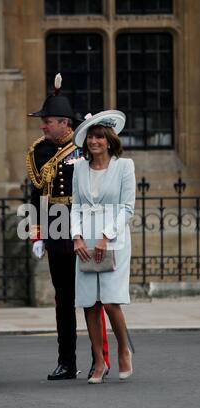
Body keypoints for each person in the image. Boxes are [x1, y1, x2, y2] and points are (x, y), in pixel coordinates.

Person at [26, 74, 111, 380]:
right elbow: (34, 193)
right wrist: (35, 233)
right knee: (63, 299)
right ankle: (66, 361)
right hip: (56, 229)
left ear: (64, 123)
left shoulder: (84, 147)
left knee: (91, 297)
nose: (42, 125)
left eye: (47, 121)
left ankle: (99, 360)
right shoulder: (39, 150)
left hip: (83, 228)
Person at [71, 110, 136, 384]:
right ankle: (99, 360)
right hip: (85, 241)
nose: (94, 142)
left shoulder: (125, 166)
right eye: (90, 137)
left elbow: (127, 208)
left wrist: (106, 236)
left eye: (99, 137)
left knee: (110, 301)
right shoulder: (79, 168)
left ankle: (123, 349)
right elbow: (75, 206)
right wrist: (76, 237)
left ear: (109, 140)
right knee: (89, 303)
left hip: (113, 240)